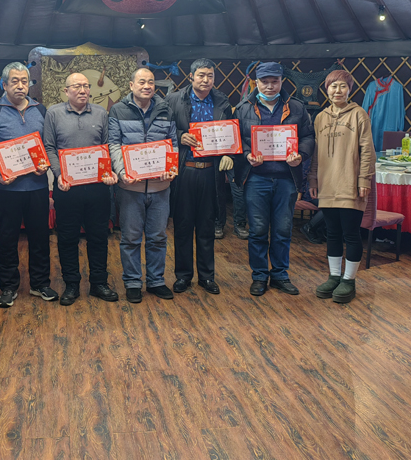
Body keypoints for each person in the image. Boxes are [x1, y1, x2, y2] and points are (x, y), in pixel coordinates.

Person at [0, 62, 56, 308]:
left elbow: (48, 145)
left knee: (40, 237)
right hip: (6, 188)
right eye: (15, 81)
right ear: (4, 84)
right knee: (7, 238)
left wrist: (45, 165)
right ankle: (9, 287)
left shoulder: (40, 109)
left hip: (37, 186)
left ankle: (40, 283)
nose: (21, 86)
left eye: (25, 81)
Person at [234, 62, 314, 297]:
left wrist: (301, 155)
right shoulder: (243, 108)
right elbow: (237, 139)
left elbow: (308, 136)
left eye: (274, 81)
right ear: (256, 83)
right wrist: (247, 155)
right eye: (265, 82)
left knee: (282, 229)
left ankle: (280, 275)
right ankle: (259, 276)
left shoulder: (296, 107)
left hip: (286, 178)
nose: (270, 86)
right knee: (258, 230)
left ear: (282, 82)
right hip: (256, 178)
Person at [43, 72, 119, 306]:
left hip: (97, 188)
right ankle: (71, 284)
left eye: (86, 86)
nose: (83, 90)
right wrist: (59, 175)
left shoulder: (100, 113)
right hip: (67, 188)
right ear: (66, 91)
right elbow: (49, 147)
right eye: (77, 86)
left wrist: (108, 171)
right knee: (67, 238)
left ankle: (99, 283)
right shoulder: (53, 113)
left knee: (99, 236)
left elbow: (106, 146)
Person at [108, 68, 178, 303]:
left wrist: (171, 168)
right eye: (141, 82)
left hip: (161, 186)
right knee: (130, 238)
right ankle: (132, 282)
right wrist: (122, 172)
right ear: (131, 85)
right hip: (130, 187)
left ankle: (156, 280)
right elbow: (114, 144)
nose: (147, 86)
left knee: (158, 237)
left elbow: (172, 143)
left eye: (150, 82)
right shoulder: (118, 110)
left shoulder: (165, 109)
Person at [166, 58, 233, 295]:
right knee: (183, 225)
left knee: (207, 225)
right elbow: (163, 129)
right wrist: (180, 135)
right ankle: (183, 276)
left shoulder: (222, 101)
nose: (206, 80)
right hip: (185, 169)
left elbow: (230, 132)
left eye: (210, 76)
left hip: (211, 171)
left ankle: (207, 276)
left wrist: (228, 153)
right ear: (191, 76)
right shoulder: (174, 99)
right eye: (201, 75)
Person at [308, 70, 375, 303]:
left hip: (350, 183)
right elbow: (315, 152)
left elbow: (368, 150)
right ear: (326, 89)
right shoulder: (320, 118)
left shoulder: (359, 115)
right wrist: (313, 179)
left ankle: (349, 280)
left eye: (342, 86)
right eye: (333, 86)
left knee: (351, 234)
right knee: (332, 233)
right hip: (327, 182)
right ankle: (334, 276)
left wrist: (364, 179)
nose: (338, 91)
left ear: (350, 90)